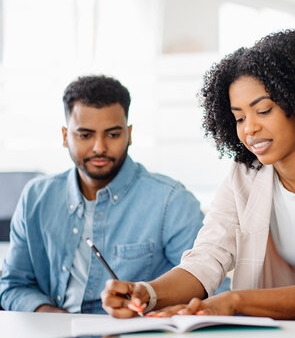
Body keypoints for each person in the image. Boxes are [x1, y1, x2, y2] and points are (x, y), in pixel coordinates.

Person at [101, 30, 295, 321]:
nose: (249, 129)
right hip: (290, 329)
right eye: (239, 117)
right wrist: (148, 293)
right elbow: (207, 259)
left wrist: (235, 303)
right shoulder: (245, 176)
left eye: (263, 111)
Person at [0, 75, 228, 314]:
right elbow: (14, 285)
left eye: (112, 134)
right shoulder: (36, 197)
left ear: (129, 134)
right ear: (66, 136)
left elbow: (213, 290)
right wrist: (53, 318)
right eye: (85, 135)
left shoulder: (171, 201)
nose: (99, 147)